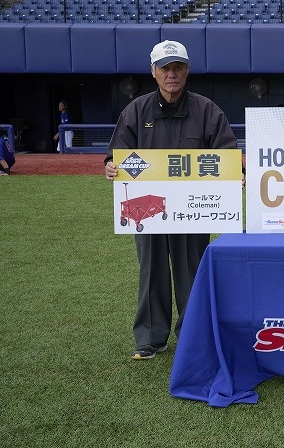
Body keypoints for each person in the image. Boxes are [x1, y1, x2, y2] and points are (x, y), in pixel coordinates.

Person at [103, 40, 238, 360]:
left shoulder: (207, 110)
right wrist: (110, 165)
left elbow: (227, 154)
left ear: (187, 71)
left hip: (193, 210)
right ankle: (151, 337)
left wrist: (236, 173)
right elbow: (117, 154)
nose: (171, 74)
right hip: (145, 208)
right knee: (151, 270)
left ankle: (192, 336)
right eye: (165, 68)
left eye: (177, 67)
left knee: (191, 272)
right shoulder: (136, 110)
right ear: (153, 72)